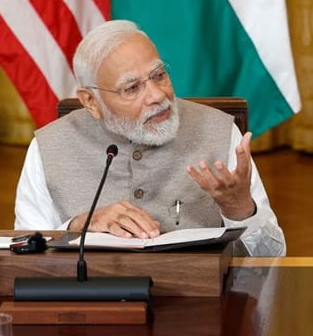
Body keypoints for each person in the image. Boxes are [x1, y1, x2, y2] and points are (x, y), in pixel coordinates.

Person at [14, 20, 285, 256]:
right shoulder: (48, 147)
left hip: (201, 302)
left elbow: (272, 259)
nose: (157, 96)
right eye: (131, 88)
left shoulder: (221, 131)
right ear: (91, 102)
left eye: (159, 75)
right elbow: (24, 253)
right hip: (87, 303)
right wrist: (77, 225)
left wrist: (240, 211)